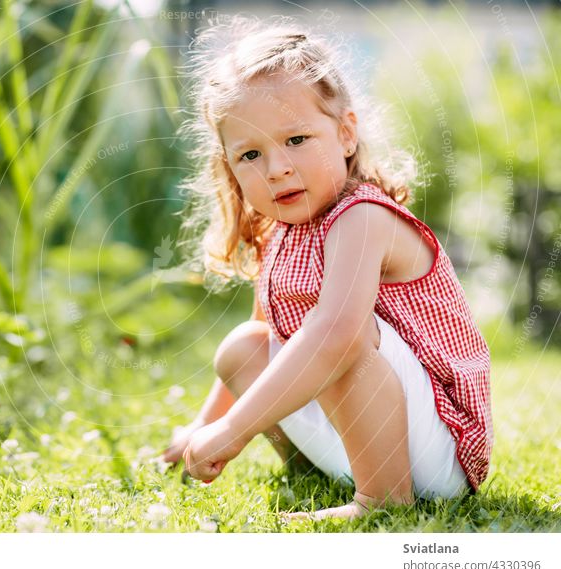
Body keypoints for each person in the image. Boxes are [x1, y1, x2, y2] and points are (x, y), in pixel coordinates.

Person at [162, 15, 492, 521]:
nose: (276, 169)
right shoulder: (283, 235)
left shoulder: (362, 216)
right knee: (244, 348)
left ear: (345, 134)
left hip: (437, 448)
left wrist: (233, 432)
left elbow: (337, 334)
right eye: (250, 154)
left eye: (296, 140)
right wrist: (202, 427)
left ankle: (382, 495)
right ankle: (317, 473)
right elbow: (264, 330)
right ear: (229, 167)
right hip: (363, 432)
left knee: (336, 336)